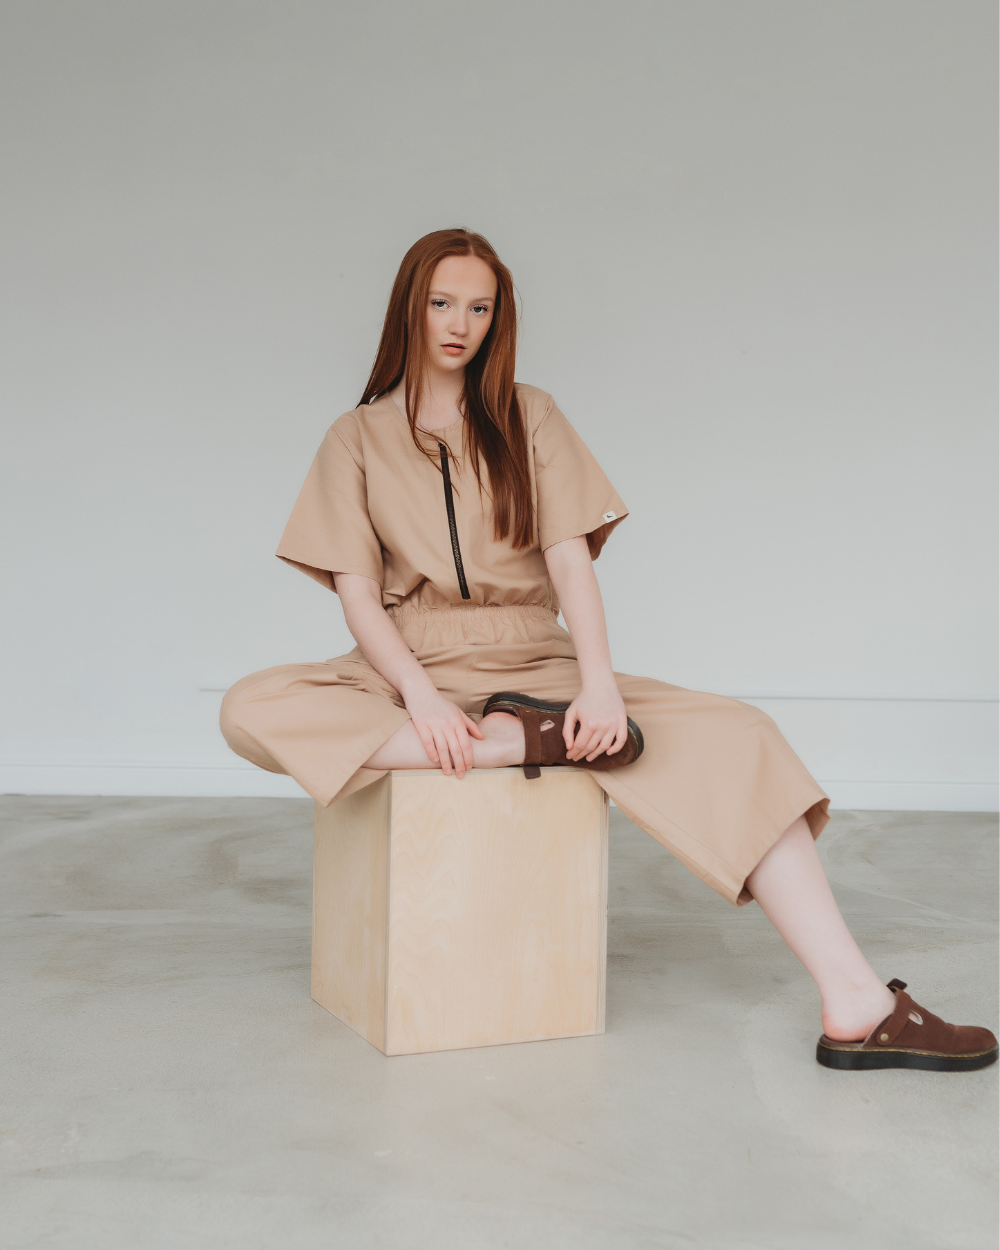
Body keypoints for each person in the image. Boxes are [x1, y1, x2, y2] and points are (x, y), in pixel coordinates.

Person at [221, 228, 996, 1072]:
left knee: (739, 734)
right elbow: (359, 598)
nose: (460, 324)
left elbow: (568, 563)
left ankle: (857, 1001)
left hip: (538, 663)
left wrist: (597, 688)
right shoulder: (354, 438)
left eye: (480, 308)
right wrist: (422, 696)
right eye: (443, 303)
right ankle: (519, 742)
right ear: (410, 304)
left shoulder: (531, 413)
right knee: (251, 707)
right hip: (409, 659)